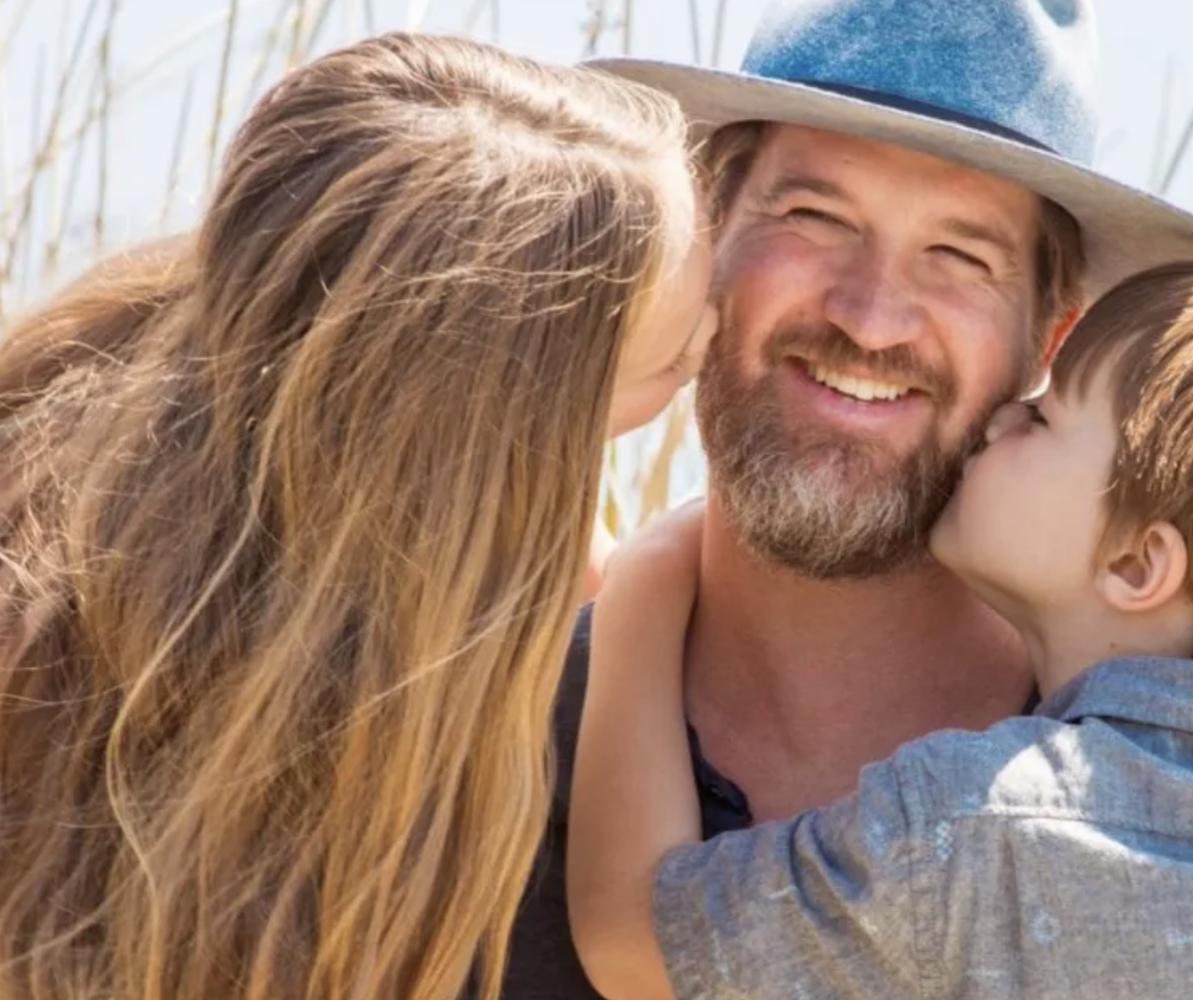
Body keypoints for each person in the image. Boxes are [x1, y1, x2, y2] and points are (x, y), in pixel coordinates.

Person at [506, 1, 1193, 993]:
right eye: (815, 215)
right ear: (704, 244)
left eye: (959, 256)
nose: (872, 317)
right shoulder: (467, 735)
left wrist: (643, 574)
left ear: (1052, 337)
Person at [569, 252, 1193, 999]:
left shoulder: (979, 831)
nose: (1004, 415)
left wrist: (646, 584)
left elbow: (634, 939)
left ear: (1137, 565)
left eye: (1047, 417)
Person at [0, 34, 713, 1000]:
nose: (708, 350)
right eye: (672, 364)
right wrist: (655, 578)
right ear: (503, 438)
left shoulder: (93, 412)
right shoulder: (409, 698)